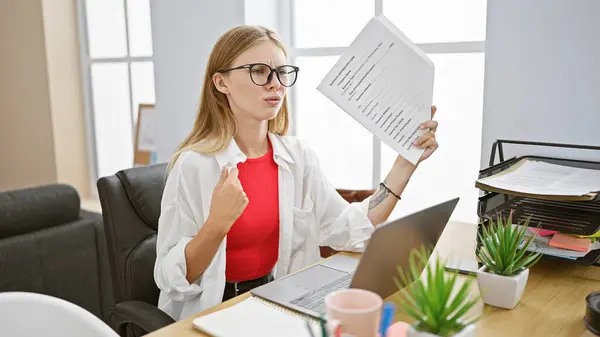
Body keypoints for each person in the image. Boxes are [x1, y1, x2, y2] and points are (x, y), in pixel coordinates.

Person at [153, 25, 439, 321]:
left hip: (277, 303)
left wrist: (406, 163)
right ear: (221, 82)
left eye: (281, 72)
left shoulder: (298, 157)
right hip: (215, 311)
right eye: (259, 71)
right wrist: (216, 225)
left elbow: (348, 230)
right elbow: (169, 277)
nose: (275, 84)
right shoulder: (193, 165)